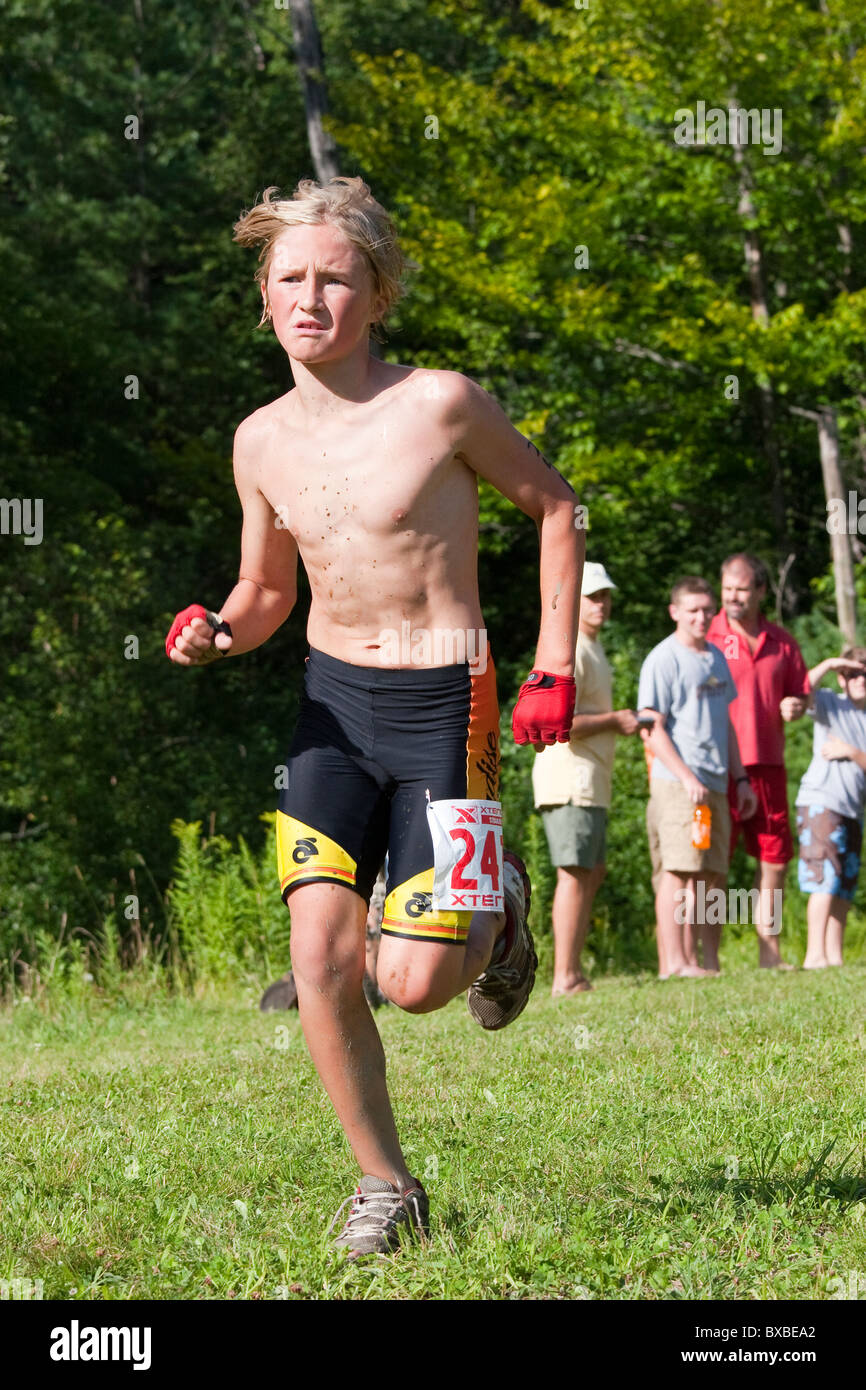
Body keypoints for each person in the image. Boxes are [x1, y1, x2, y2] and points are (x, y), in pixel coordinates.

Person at [164, 177, 583, 1257]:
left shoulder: (439, 403)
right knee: (319, 956)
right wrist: (216, 626)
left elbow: (555, 506)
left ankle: (498, 910)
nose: (311, 297)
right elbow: (266, 596)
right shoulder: (258, 441)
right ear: (263, 296)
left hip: (453, 701)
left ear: (376, 292)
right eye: (289, 278)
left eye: (334, 278)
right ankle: (383, 1185)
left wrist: (550, 668)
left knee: (416, 981)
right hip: (332, 708)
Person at [637, 577, 757, 978]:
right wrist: (686, 776)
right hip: (677, 784)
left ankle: (707, 961)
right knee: (677, 870)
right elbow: (651, 728)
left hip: (717, 783)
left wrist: (740, 780)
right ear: (675, 612)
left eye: (707, 610)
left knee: (710, 873)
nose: (701, 617)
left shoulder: (716, 658)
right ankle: (674, 964)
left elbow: (727, 726)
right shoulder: (663, 658)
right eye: (692, 610)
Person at [532, 561, 641, 995]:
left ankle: (573, 971)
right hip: (569, 778)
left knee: (592, 870)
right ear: (574, 601)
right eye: (593, 596)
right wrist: (615, 720)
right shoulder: (571, 648)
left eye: (605, 596)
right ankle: (563, 977)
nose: (602, 604)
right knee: (574, 873)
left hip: (590, 780)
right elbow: (559, 721)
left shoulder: (591, 648)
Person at [706, 553, 811, 968]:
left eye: (742, 589)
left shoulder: (782, 640)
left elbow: (801, 693)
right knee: (714, 864)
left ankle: (770, 954)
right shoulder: (706, 636)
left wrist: (796, 706)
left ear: (762, 591)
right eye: (727, 588)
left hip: (768, 765)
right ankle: (708, 960)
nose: (732, 597)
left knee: (774, 860)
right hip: (718, 768)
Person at [795, 647, 866, 969]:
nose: (860, 679)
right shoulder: (829, 703)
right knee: (823, 879)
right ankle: (815, 955)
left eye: (865, 672)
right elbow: (799, 690)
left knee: (844, 885)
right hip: (822, 802)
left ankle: (833, 956)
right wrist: (827, 662)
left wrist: (851, 752)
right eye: (852, 673)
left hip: (853, 810)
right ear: (842, 677)